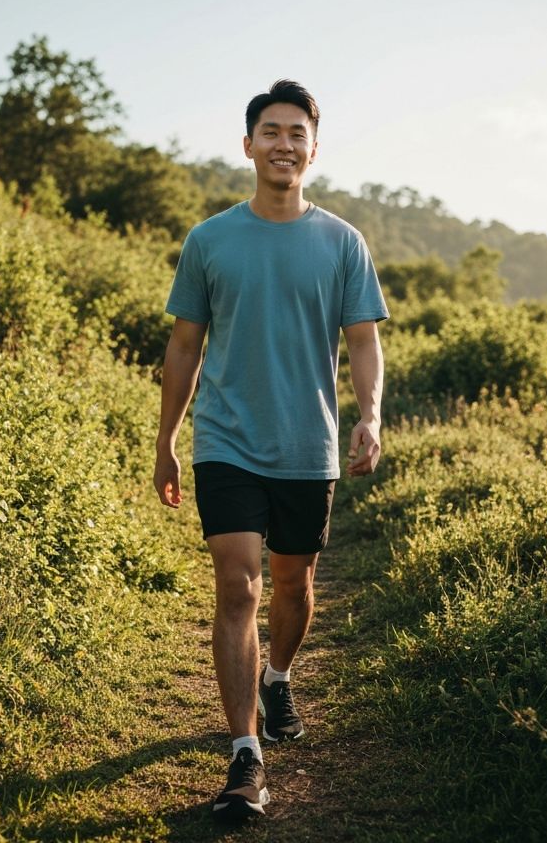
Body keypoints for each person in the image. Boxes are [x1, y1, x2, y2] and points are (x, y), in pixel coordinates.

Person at [153, 79, 388, 822]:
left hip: (307, 445)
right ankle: (244, 757)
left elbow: (363, 341)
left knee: (293, 587)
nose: (283, 144)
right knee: (239, 589)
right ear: (248, 144)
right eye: (271, 131)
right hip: (225, 439)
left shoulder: (342, 242)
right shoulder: (210, 239)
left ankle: (278, 675)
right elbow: (184, 344)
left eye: (297, 134)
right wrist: (165, 442)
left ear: (313, 150)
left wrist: (370, 416)